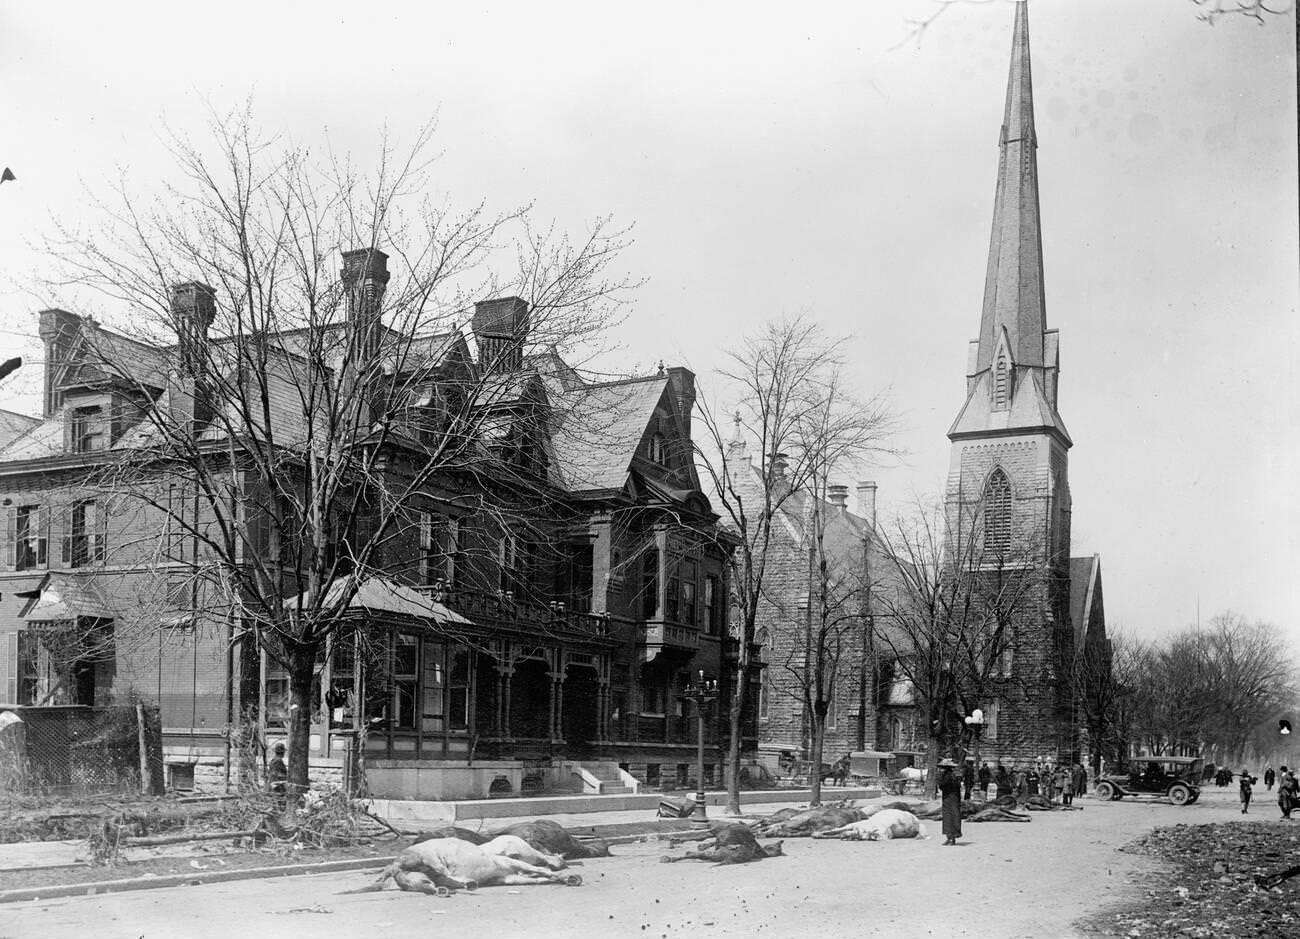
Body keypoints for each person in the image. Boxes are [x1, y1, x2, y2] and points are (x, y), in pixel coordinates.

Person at [938, 758, 963, 846]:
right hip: (954, 798)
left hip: (948, 798)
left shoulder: (946, 776)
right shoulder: (955, 775)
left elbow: (941, 786)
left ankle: (950, 837)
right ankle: (951, 837)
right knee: (954, 816)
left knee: (948, 817)